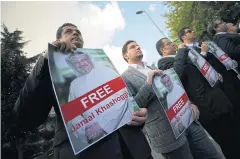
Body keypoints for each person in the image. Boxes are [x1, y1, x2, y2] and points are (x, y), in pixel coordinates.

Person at [9, 23, 153, 159]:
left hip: (135, 149)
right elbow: (25, 117)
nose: (75, 33)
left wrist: (138, 114)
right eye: (68, 31)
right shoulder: (54, 74)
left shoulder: (107, 70)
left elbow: (126, 102)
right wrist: (46, 59)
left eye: (77, 31)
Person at [121, 40, 222, 159]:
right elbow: (135, 107)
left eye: (138, 45)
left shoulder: (152, 67)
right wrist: (148, 84)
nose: (137, 47)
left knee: (212, 155)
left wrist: (189, 103)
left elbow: (174, 88)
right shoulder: (124, 78)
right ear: (125, 55)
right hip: (167, 134)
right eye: (133, 47)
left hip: (187, 120)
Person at [178, 27, 240, 159]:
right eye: (189, 31)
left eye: (192, 30)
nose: (193, 32)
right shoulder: (186, 53)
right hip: (211, 101)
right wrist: (203, 54)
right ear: (183, 37)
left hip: (225, 89)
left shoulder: (204, 45)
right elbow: (196, 74)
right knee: (229, 140)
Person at [66, 52, 133, 151]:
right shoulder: (74, 85)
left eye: (84, 60)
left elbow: (122, 96)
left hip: (126, 129)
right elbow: (72, 114)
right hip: (99, 141)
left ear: (90, 59)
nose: (81, 64)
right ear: (73, 66)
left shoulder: (106, 72)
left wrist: (102, 124)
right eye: (77, 62)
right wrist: (85, 129)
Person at [154, 73, 194, 137]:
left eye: (168, 81)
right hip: (182, 129)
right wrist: (179, 125)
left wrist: (183, 124)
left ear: (170, 80)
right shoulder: (168, 97)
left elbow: (188, 105)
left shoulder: (178, 88)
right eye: (165, 83)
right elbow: (172, 115)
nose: (167, 84)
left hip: (192, 121)